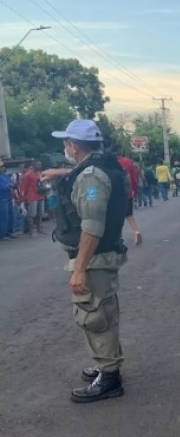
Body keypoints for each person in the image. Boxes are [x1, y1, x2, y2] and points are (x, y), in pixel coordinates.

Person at [49, 119, 129, 403]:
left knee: (95, 316)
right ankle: (106, 364)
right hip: (103, 255)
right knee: (102, 311)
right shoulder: (102, 167)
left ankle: (109, 377)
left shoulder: (91, 177)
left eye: (66, 142)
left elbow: (92, 225)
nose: (65, 147)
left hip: (95, 258)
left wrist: (79, 269)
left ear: (74, 145)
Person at [114, 146, 143, 246]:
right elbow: (133, 177)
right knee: (129, 215)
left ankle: (118, 238)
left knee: (116, 216)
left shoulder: (110, 163)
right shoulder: (129, 162)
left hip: (115, 194)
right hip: (128, 192)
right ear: (121, 152)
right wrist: (135, 189)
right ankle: (136, 232)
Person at [20, 161, 47, 236]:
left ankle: (39, 229)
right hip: (31, 196)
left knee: (40, 213)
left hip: (40, 195)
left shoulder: (39, 173)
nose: (39, 166)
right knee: (32, 214)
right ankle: (31, 231)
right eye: (38, 165)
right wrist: (22, 198)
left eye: (40, 165)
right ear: (33, 165)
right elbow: (23, 187)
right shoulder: (27, 175)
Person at [0, 160, 15, 241]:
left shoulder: (5, 176)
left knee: (10, 216)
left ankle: (9, 233)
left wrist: (11, 184)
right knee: (3, 217)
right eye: (1, 167)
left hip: (8, 197)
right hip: (2, 199)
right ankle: (2, 234)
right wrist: (9, 185)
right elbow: (3, 187)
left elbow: (11, 183)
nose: (3, 168)